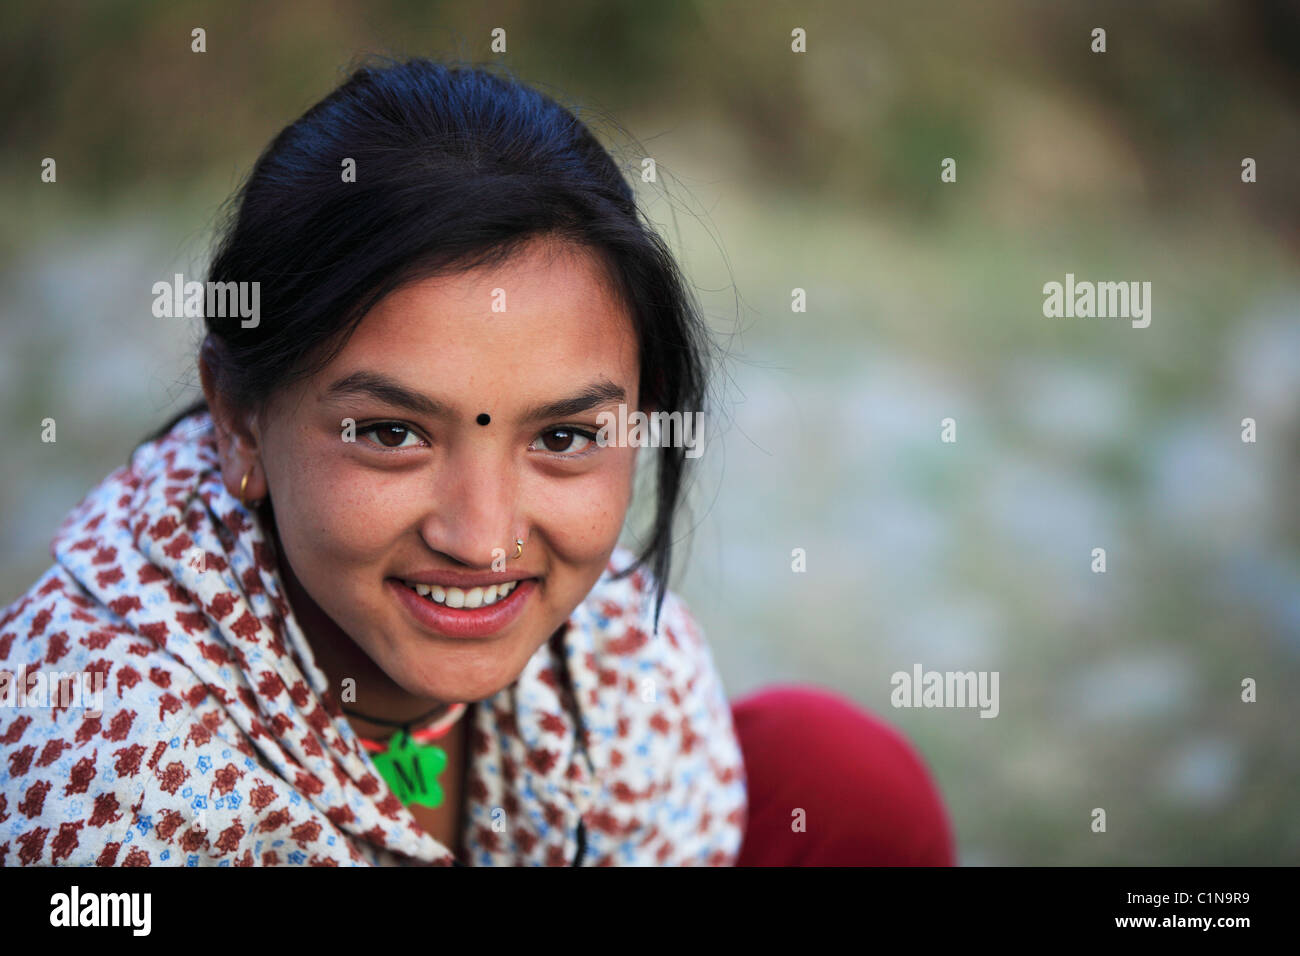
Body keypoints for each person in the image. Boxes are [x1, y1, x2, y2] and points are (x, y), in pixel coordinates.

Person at [0, 57, 953, 866]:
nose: (483, 537)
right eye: (392, 433)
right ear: (242, 423)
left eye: (564, 438)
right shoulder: (115, 770)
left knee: (828, 777)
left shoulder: (625, 665)